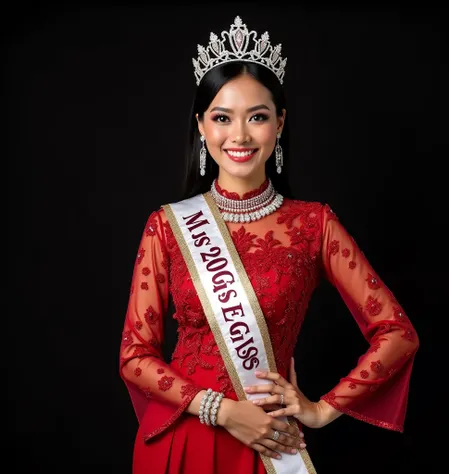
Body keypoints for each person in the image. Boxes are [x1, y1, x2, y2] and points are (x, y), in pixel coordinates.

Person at [119, 15, 420, 474]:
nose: (239, 136)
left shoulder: (314, 224)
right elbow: (134, 356)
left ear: (279, 123)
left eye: (256, 117)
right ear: (201, 126)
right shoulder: (167, 226)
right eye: (222, 118)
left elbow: (397, 333)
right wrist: (221, 410)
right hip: (182, 441)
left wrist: (321, 409)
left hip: (269, 446)